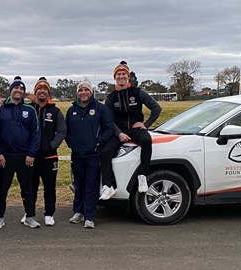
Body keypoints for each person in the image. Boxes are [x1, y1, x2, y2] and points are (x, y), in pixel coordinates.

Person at [100, 61, 162, 200]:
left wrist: (146, 124)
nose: (121, 76)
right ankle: (108, 186)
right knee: (105, 152)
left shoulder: (138, 92)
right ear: (115, 77)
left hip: (135, 129)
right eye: (118, 74)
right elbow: (108, 120)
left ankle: (142, 175)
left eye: (123, 74)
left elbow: (156, 108)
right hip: (119, 130)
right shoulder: (110, 98)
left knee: (146, 141)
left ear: (128, 77)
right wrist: (119, 133)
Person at [0, 76, 41, 229]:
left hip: (25, 157)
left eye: (21, 89)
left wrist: (31, 154)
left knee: (27, 189)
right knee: (2, 189)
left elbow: (35, 133)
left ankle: (30, 216)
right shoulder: (0, 109)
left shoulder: (30, 110)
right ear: (11, 90)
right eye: (16, 88)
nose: (19, 90)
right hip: (5, 157)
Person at [66, 81, 114, 229]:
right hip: (77, 154)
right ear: (77, 93)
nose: (83, 93)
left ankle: (89, 216)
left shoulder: (100, 108)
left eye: (86, 90)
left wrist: (98, 142)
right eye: (81, 90)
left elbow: (109, 128)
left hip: (93, 154)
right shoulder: (71, 110)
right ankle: (78, 212)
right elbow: (66, 130)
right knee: (78, 184)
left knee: (91, 185)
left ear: (91, 92)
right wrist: (71, 143)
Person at [22, 77, 66, 226]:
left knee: (49, 186)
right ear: (35, 92)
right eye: (39, 89)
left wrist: (51, 145)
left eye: (45, 89)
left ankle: (49, 214)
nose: (42, 91)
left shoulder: (55, 111)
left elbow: (62, 131)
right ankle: (29, 213)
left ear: (48, 93)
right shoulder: (28, 109)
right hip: (31, 157)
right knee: (30, 186)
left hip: (49, 156)